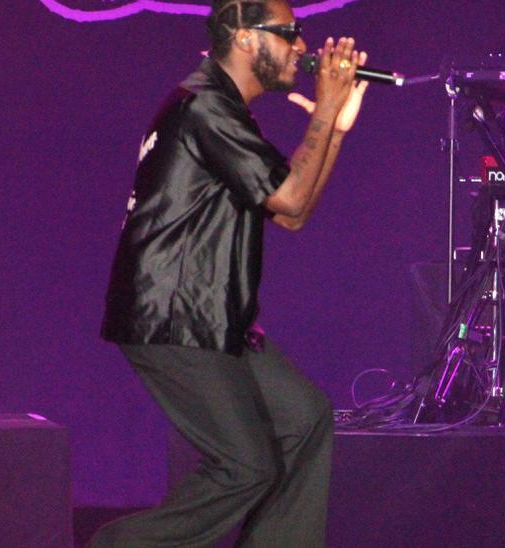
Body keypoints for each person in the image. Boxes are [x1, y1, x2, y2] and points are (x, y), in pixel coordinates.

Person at [95, 0, 368, 544]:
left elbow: (293, 213)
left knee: (304, 418)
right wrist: (321, 111)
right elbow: (291, 200)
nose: (302, 47)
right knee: (246, 465)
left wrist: (333, 129)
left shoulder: (220, 107)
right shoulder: (204, 106)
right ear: (245, 38)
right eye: (289, 34)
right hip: (173, 315)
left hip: (212, 314)